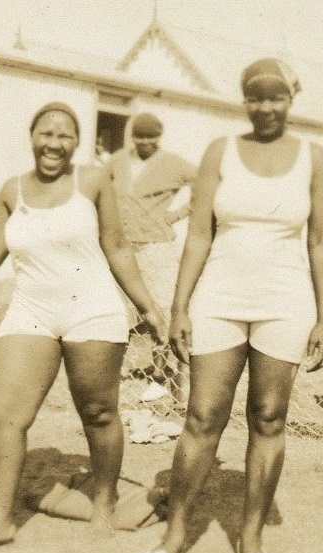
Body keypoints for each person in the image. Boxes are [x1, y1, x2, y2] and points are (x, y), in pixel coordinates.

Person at [0, 102, 168, 553]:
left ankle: (105, 501)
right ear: (32, 137)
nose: (54, 143)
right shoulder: (11, 190)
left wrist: (147, 306)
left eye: (64, 135)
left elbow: (117, 247)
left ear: (77, 143)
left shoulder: (92, 181)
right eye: (46, 134)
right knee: (6, 417)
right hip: (31, 309)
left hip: (91, 309)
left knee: (98, 412)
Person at [138, 58, 323, 553]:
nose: (265, 107)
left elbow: (321, 242)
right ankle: (174, 534)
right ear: (243, 100)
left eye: (276, 97)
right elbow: (199, 234)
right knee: (203, 416)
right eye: (255, 97)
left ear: (291, 99)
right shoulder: (219, 152)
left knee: (269, 417)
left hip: (286, 301)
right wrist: (180, 306)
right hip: (219, 296)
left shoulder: (314, 158)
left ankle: (250, 540)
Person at [105, 113, 197, 403]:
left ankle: (160, 376)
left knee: (162, 313)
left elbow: (207, 184)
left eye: (151, 138)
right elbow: (99, 187)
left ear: (159, 138)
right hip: (122, 249)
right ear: (132, 137)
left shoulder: (173, 163)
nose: (145, 143)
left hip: (156, 248)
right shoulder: (118, 160)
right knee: (118, 313)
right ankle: (111, 374)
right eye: (140, 137)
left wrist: (176, 215)